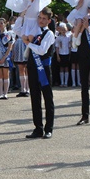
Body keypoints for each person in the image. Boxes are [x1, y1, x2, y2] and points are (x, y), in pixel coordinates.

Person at [24, 8, 56, 139]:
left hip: (44, 68)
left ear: (49, 21)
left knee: (47, 98)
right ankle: (38, 128)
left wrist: (28, 44)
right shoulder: (34, 31)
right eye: (40, 18)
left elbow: (42, 50)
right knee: (35, 98)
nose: (41, 21)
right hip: (32, 67)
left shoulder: (49, 34)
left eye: (44, 19)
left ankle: (49, 128)